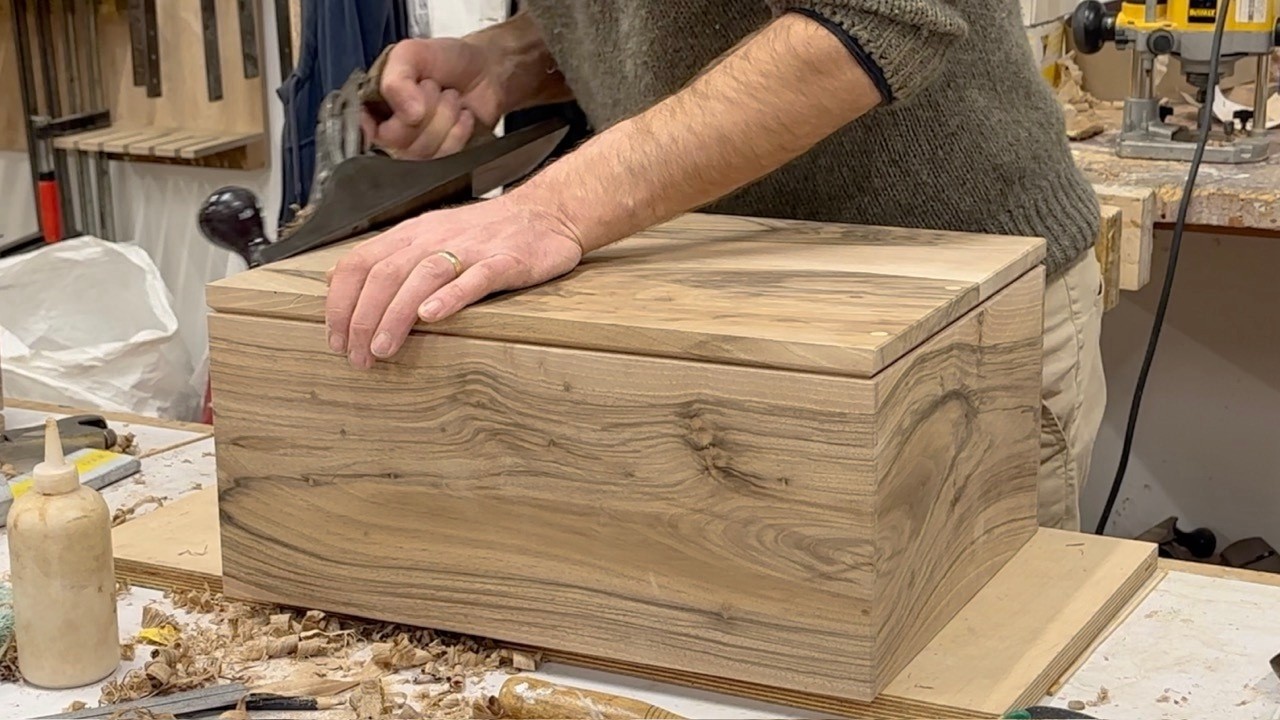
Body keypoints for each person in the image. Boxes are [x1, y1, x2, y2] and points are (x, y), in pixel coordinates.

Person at [322, 2, 1106, 531]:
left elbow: (883, 17)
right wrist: (510, 56)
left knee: (959, 670)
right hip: (722, 298)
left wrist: (555, 204)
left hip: (943, 308)